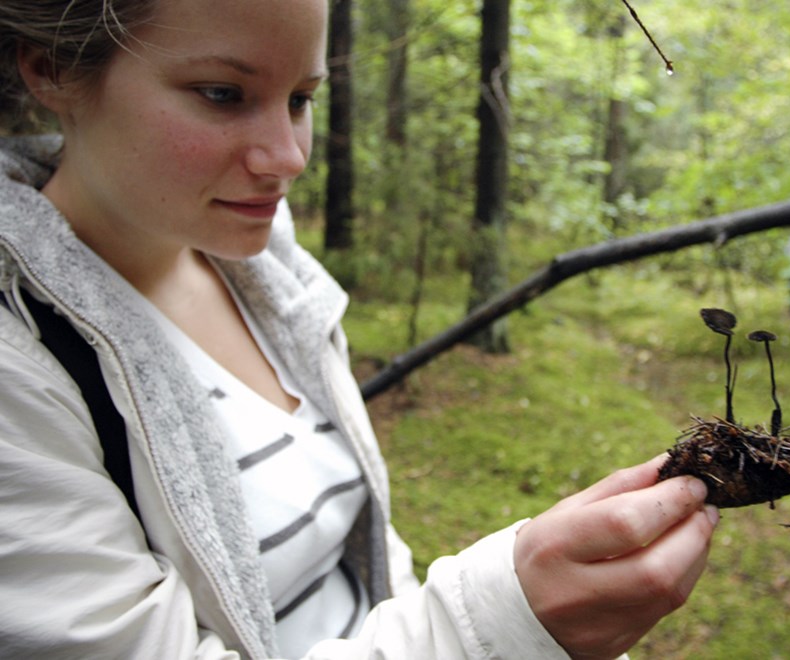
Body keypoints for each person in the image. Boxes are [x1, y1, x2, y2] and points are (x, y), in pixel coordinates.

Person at [0, 1, 718, 657]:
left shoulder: (268, 275)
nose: (289, 157)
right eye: (224, 94)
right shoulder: (21, 363)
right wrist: (498, 625)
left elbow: (368, 558)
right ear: (53, 69)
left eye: (300, 99)